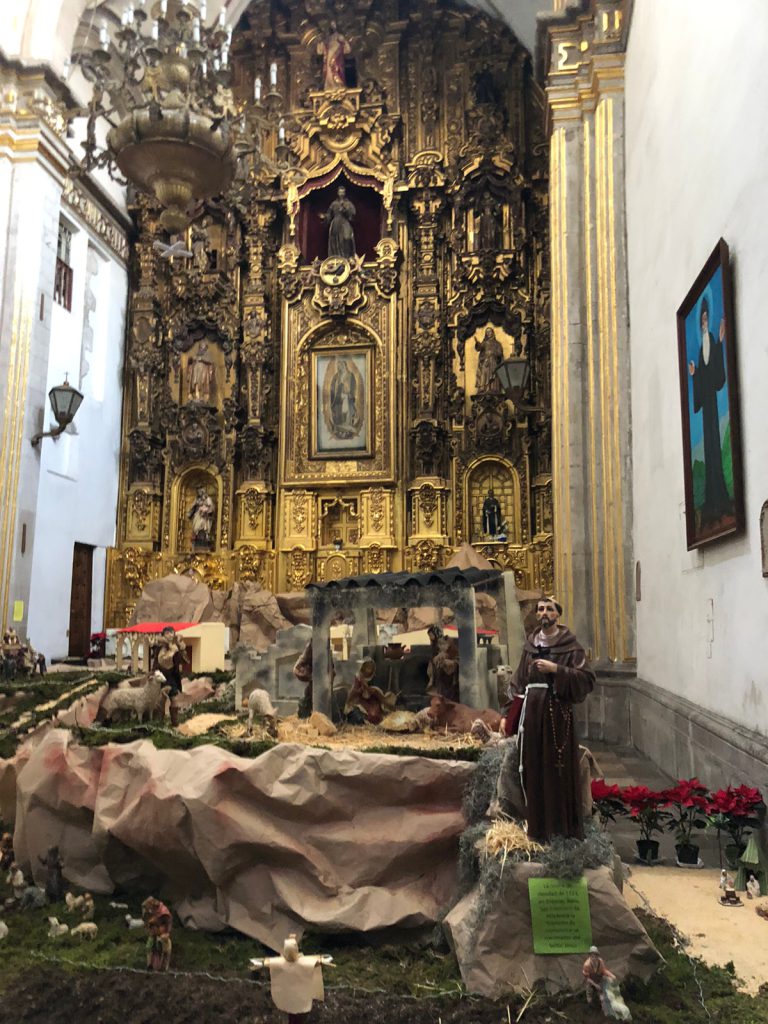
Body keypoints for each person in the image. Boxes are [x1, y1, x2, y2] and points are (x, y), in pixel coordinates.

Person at [499, 596, 594, 842]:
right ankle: (537, 827)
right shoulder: (531, 644)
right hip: (531, 714)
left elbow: (586, 678)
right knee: (533, 765)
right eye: (540, 609)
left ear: (557, 614)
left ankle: (561, 828)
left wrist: (556, 670)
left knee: (557, 768)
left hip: (557, 716)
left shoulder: (570, 645)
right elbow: (518, 683)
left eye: (549, 609)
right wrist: (508, 715)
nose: (544, 613)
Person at [687, 298, 731, 527]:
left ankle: (720, 498)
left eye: (706, 318)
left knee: (715, 443)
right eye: (702, 319)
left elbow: (716, 375)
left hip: (712, 403)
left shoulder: (712, 340)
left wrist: (722, 341)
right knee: (708, 447)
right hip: (706, 406)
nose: (704, 321)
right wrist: (694, 375)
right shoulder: (699, 346)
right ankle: (711, 500)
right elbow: (704, 378)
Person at [250, 933, 333, 1024]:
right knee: (293, 1016)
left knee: (298, 1016)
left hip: (301, 996)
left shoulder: (300, 962)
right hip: (291, 995)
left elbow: (316, 961)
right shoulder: (290, 962)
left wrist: (322, 960)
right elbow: (269, 962)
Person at [153, 626, 187, 726]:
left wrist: (180, 649)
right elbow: (162, 660)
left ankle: (175, 723)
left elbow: (184, 660)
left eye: (171, 633)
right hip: (160, 676)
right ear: (163, 635)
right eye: (167, 633)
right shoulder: (160, 646)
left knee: (175, 699)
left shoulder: (176, 646)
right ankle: (159, 723)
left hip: (172, 676)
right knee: (161, 700)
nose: (170, 635)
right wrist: (172, 651)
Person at [321, 186, 356, 259]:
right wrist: (324, 217)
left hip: (344, 222)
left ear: (345, 193)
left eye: (343, 192)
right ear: (338, 193)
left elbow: (353, 214)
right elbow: (329, 214)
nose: (341, 194)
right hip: (336, 224)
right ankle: (336, 258)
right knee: (336, 241)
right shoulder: (334, 204)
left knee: (347, 238)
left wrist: (345, 210)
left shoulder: (348, 203)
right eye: (340, 192)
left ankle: (347, 257)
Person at [317, 21, 351, 91]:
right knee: (329, 69)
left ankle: (338, 85)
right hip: (329, 55)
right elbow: (320, 51)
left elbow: (347, 50)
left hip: (337, 57)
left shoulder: (340, 36)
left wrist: (344, 42)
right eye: (331, 25)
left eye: (334, 25)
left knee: (336, 69)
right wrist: (320, 42)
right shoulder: (327, 39)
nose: (333, 27)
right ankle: (330, 85)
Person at [328, 358, 358, 435]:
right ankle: (339, 429)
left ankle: (347, 428)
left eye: (342, 365)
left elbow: (353, 388)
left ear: (345, 365)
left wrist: (348, 394)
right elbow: (332, 389)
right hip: (338, 399)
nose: (340, 367)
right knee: (339, 413)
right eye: (339, 366)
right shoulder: (336, 377)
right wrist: (338, 391)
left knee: (347, 411)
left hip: (348, 398)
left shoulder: (351, 375)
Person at [142, 897, 173, 972]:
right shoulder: (153, 912)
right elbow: (149, 920)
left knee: (163, 950)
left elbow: (167, 922)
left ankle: (162, 968)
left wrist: (166, 932)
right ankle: (150, 966)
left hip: (162, 934)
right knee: (151, 948)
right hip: (155, 933)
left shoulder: (163, 912)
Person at [475, 326, 504, 393]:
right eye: (487, 332)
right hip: (485, 361)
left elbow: (500, 353)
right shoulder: (484, 343)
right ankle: (484, 388)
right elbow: (479, 348)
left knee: (493, 374)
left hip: (493, 361)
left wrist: (493, 353)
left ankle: (493, 388)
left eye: (489, 331)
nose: (488, 333)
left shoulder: (497, 344)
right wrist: (477, 343)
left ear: (492, 333)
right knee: (484, 374)